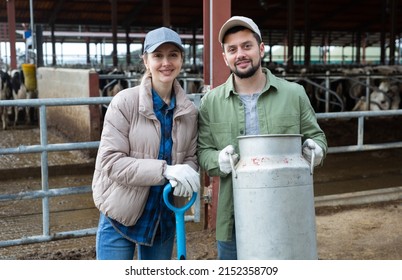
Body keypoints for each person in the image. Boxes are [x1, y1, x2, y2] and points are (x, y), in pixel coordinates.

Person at [197, 16, 328, 260]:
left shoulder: (294, 94)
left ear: (261, 48)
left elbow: (317, 138)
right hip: (234, 218)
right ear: (225, 57)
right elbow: (203, 152)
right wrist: (218, 160)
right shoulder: (211, 103)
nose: (240, 54)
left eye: (247, 46)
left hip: (288, 212)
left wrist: (316, 150)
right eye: (232, 49)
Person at [92, 27, 200, 260]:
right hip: (120, 216)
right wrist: (166, 170)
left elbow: (190, 157)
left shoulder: (189, 111)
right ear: (146, 60)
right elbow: (111, 162)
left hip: (164, 217)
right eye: (158, 56)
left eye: (173, 55)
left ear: (181, 60)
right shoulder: (124, 102)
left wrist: (187, 173)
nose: (165, 62)